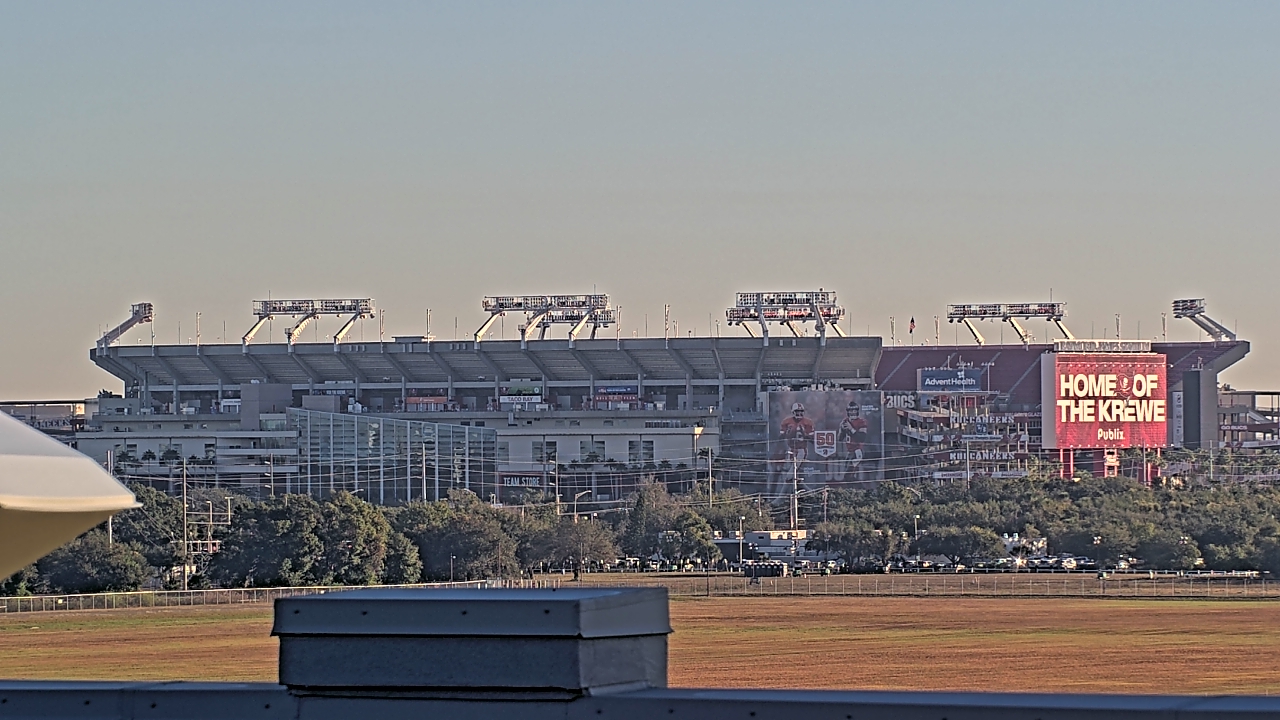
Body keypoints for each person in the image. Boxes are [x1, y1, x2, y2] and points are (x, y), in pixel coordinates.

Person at [837, 401, 869, 479]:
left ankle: (857, 488)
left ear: (857, 411)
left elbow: (862, 438)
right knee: (846, 475)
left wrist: (851, 429)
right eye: (850, 410)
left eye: (854, 410)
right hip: (849, 452)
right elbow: (839, 439)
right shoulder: (845, 421)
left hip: (857, 451)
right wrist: (841, 430)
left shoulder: (861, 422)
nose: (852, 412)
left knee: (848, 475)